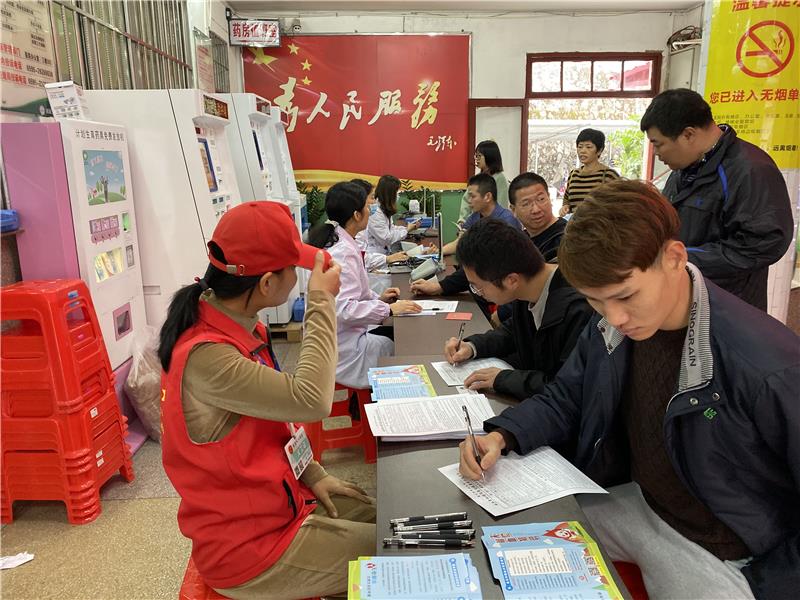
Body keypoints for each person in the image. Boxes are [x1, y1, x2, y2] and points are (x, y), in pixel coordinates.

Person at [459, 180, 800, 600]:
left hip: (720, 551)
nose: (615, 317)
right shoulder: (611, 325)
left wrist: (763, 584)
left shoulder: (767, 365)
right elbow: (567, 395)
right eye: (596, 301)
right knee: (497, 530)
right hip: (635, 501)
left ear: (674, 258)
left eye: (625, 296)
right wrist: (502, 435)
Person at [158, 201, 376, 599]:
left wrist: (313, 474)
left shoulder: (240, 327)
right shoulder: (208, 356)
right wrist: (321, 303)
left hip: (282, 504)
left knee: (390, 522)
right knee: (392, 555)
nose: (299, 276)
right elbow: (311, 399)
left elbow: (277, 420)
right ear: (266, 285)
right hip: (250, 548)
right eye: (293, 268)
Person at [640, 87, 792, 311]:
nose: (656, 153)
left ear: (688, 134)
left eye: (658, 144)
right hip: (685, 295)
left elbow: (763, 243)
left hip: (728, 304)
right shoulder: (684, 167)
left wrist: (681, 258)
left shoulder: (750, 170)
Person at [442, 219, 593, 400]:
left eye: (477, 287)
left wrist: (503, 379)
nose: (478, 292)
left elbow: (566, 387)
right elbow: (513, 331)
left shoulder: (579, 309)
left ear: (511, 280)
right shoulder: (529, 284)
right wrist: (472, 346)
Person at [308, 181, 422, 388]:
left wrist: (379, 299)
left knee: (395, 334)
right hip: (347, 354)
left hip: (344, 339)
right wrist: (388, 309)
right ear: (356, 215)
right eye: (368, 206)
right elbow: (344, 309)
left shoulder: (342, 242)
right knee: (405, 346)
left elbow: (352, 295)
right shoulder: (343, 253)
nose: (372, 210)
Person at [559, 128, 619, 216]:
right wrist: (565, 208)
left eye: (588, 147)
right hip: (574, 223)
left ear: (599, 150)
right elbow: (566, 199)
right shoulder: (574, 174)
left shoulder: (609, 175)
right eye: (580, 147)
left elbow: (619, 204)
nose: (583, 151)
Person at [350, 178, 407, 271]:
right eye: (372, 197)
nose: (374, 202)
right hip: (373, 262)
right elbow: (360, 258)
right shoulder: (372, 216)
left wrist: (405, 229)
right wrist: (387, 259)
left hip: (373, 263)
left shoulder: (358, 227)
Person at [366, 174, 419, 255]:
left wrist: (407, 228)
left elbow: (390, 228)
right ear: (389, 193)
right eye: (396, 192)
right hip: (375, 255)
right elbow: (386, 238)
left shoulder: (383, 208)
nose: (398, 195)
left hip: (383, 252)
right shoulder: (375, 212)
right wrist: (406, 230)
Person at [458, 140, 510, 221]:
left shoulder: (500, 178)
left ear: (490, 156)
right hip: (476, 222)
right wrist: (462, 220)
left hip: (493, 224)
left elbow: (502, 204)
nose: (477, 159)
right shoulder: (479, 178)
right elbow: (466, 200)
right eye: (476, 156)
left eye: (479, 156)